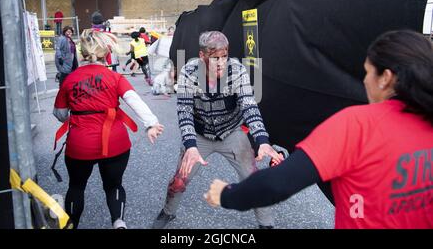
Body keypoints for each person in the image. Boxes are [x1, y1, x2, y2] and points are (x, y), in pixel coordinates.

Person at [205, 30, 433, 229]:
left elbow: (277, 183)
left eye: (367, 72)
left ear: (386, 78)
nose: (365, 81)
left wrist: (226, 194)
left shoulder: (357, 125)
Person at [151, 31, 283, 229]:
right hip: (200, 133)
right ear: (202, 56)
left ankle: (266, 224)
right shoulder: (189, 71)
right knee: (179, 180)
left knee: (254, 180)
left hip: (231, 132)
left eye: (224, 57)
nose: (221, 63)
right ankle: (168, 212)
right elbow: (184, 111)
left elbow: (249, 105)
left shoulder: (237, 70)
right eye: (215, 58)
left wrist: (263, 140)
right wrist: (190, 146)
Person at [53, 29, 164, 229]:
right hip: (115, 143)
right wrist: (151, 124)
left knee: (76, 186)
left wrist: (78, 113)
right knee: (114, 185)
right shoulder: (114, 77)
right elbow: (134, 100)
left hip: (80, 144)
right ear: (106, 53)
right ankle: (119, 223)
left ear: (83, 54)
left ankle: (70, 225)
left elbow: (60, 114)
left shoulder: (70, 79)